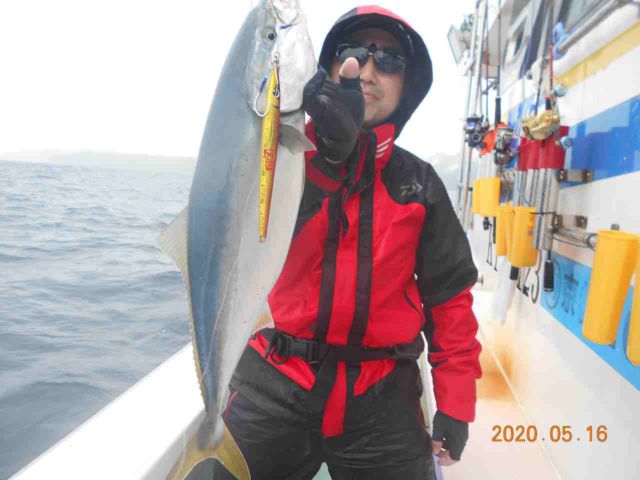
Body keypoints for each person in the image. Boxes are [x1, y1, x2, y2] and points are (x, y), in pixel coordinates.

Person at [215, 6, 482, 479]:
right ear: (330, 69)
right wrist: (327, 159)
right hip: (271, 380)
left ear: (408, 84)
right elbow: (252, 233)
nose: (370, 69)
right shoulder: (277, 158)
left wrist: (456, 404)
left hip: (382, 398)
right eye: (355, 51)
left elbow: (450, 302)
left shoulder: (419, 185)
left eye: (390, 60)